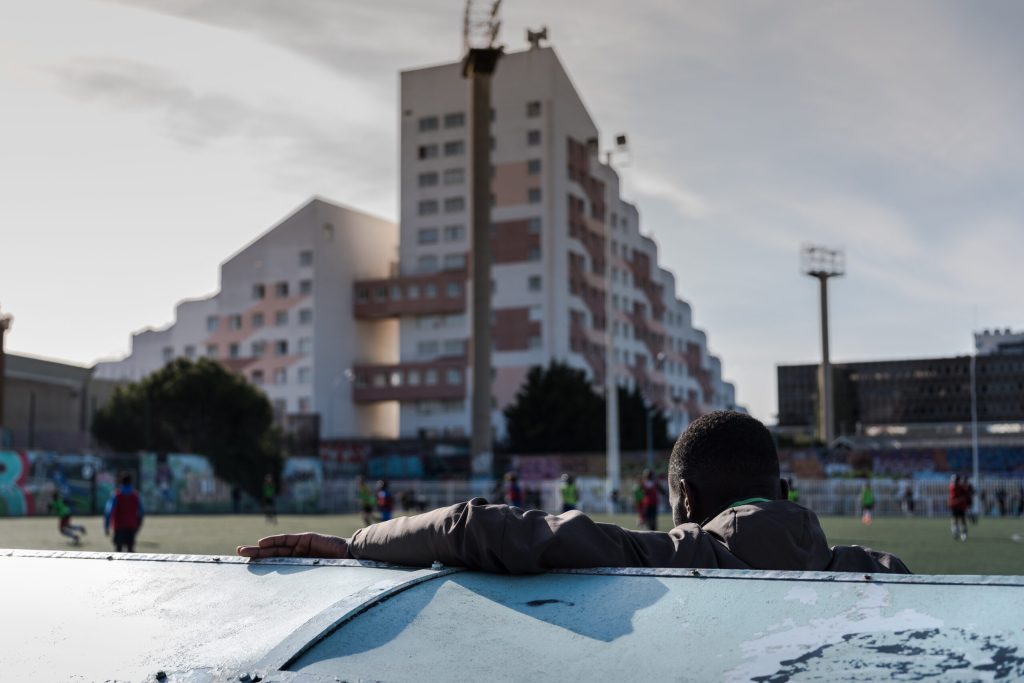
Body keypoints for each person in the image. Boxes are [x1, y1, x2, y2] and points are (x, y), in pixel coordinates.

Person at [239, 411, 910, 574]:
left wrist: (355, 543)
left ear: (683, 495)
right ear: (784, 489)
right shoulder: (882, 571)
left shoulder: (688, 554)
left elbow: (475, 526)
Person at [104, 472, 144, 553]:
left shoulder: (116, 495)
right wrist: (138, 525)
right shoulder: (135, 495)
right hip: (131, 526)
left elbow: (108, 511)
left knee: (118, 552)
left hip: (119, 526)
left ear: (121, 482)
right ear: (131, 482)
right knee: (130, 551)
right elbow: (141, 512)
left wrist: (106, 526)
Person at [949, 474, 968, 542]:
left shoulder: (961, 487)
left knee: (962, 520)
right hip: (955, 505)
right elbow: (956, 498)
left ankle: (963, 533)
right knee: (955, 519)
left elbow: (965, 495)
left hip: (960, 506)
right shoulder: (953, 487)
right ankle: (955, 530)